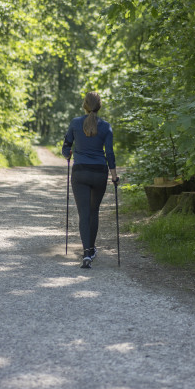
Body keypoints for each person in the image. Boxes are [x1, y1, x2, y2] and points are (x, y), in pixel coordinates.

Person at [62, 92, 118, 269]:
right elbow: (109, 153)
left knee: (84, 213)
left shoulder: (75, 123)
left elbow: (66, 147)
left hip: (80, 173)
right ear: (99, 106)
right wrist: (114, 175)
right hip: (99, 173)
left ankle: (87, 252)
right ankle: (91, 249)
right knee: (94, 211)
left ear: (84, 105)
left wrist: (68, 154)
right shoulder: (106, 126)